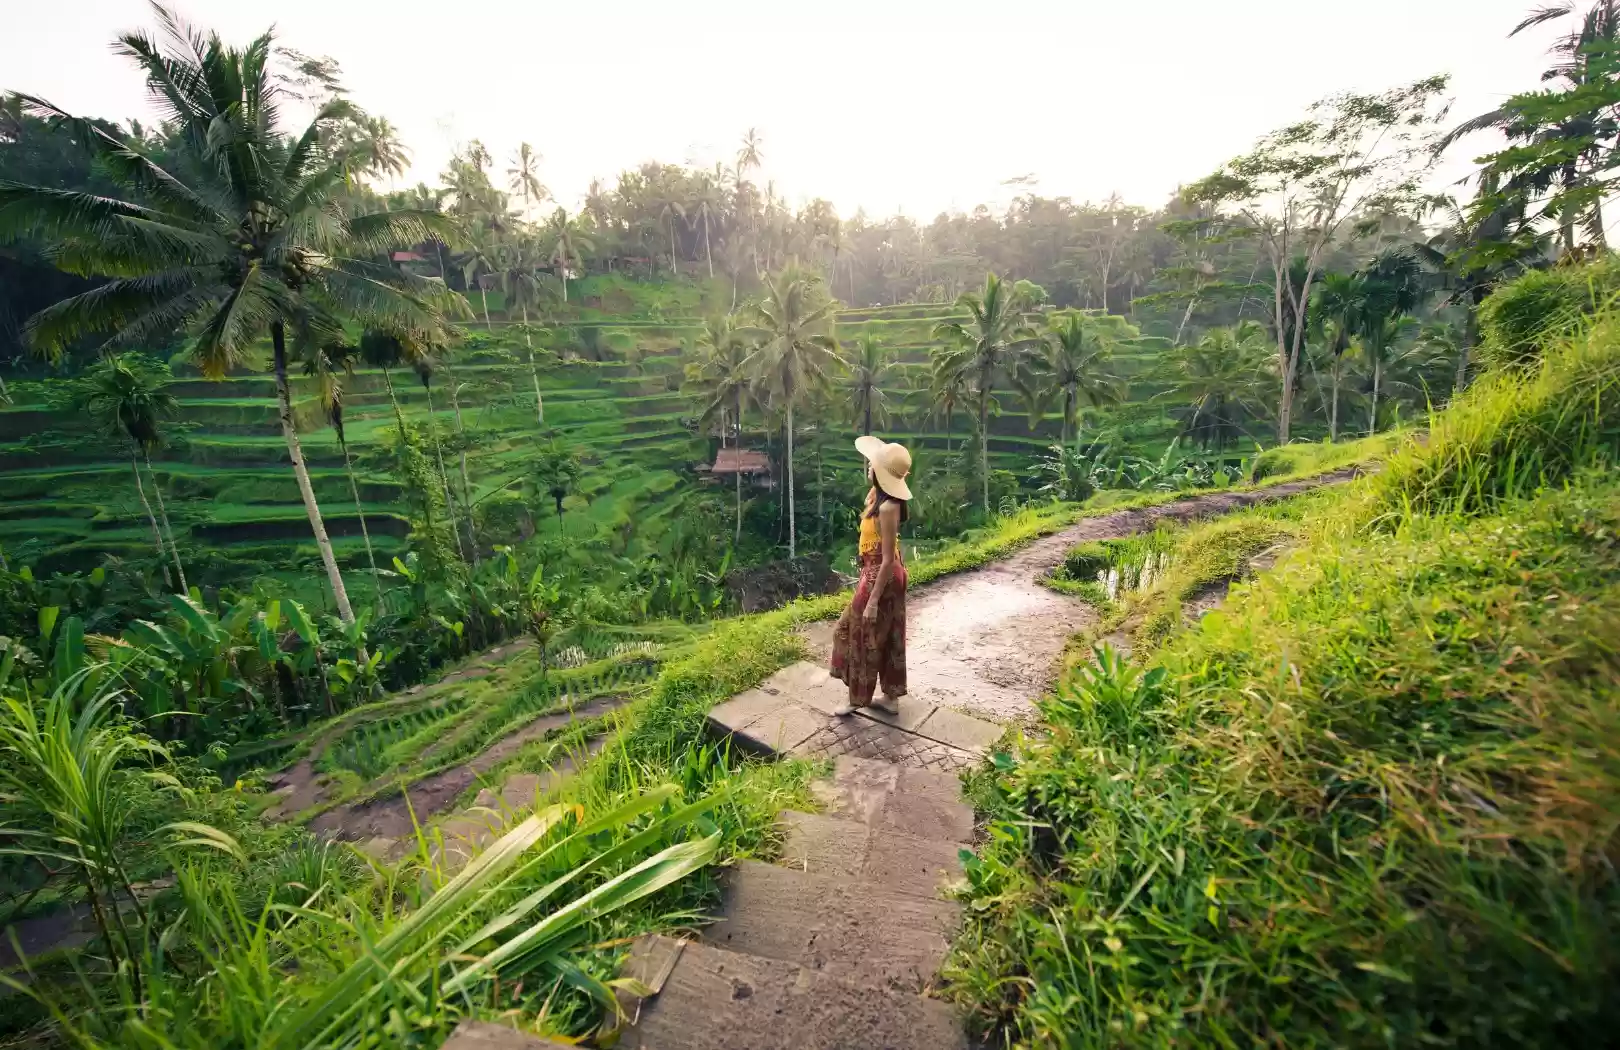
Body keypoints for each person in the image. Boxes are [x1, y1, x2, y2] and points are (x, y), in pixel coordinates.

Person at [830, 435, 912, 716]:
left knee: (854, 632)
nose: (868, 465)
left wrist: (873, 600)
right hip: (883, 571)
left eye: (873, 463)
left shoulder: (888, 507)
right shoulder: (880, 497)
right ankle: (891, 698)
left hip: (882, 573)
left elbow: (887, 559)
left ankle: (857, 698)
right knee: (889, 634)